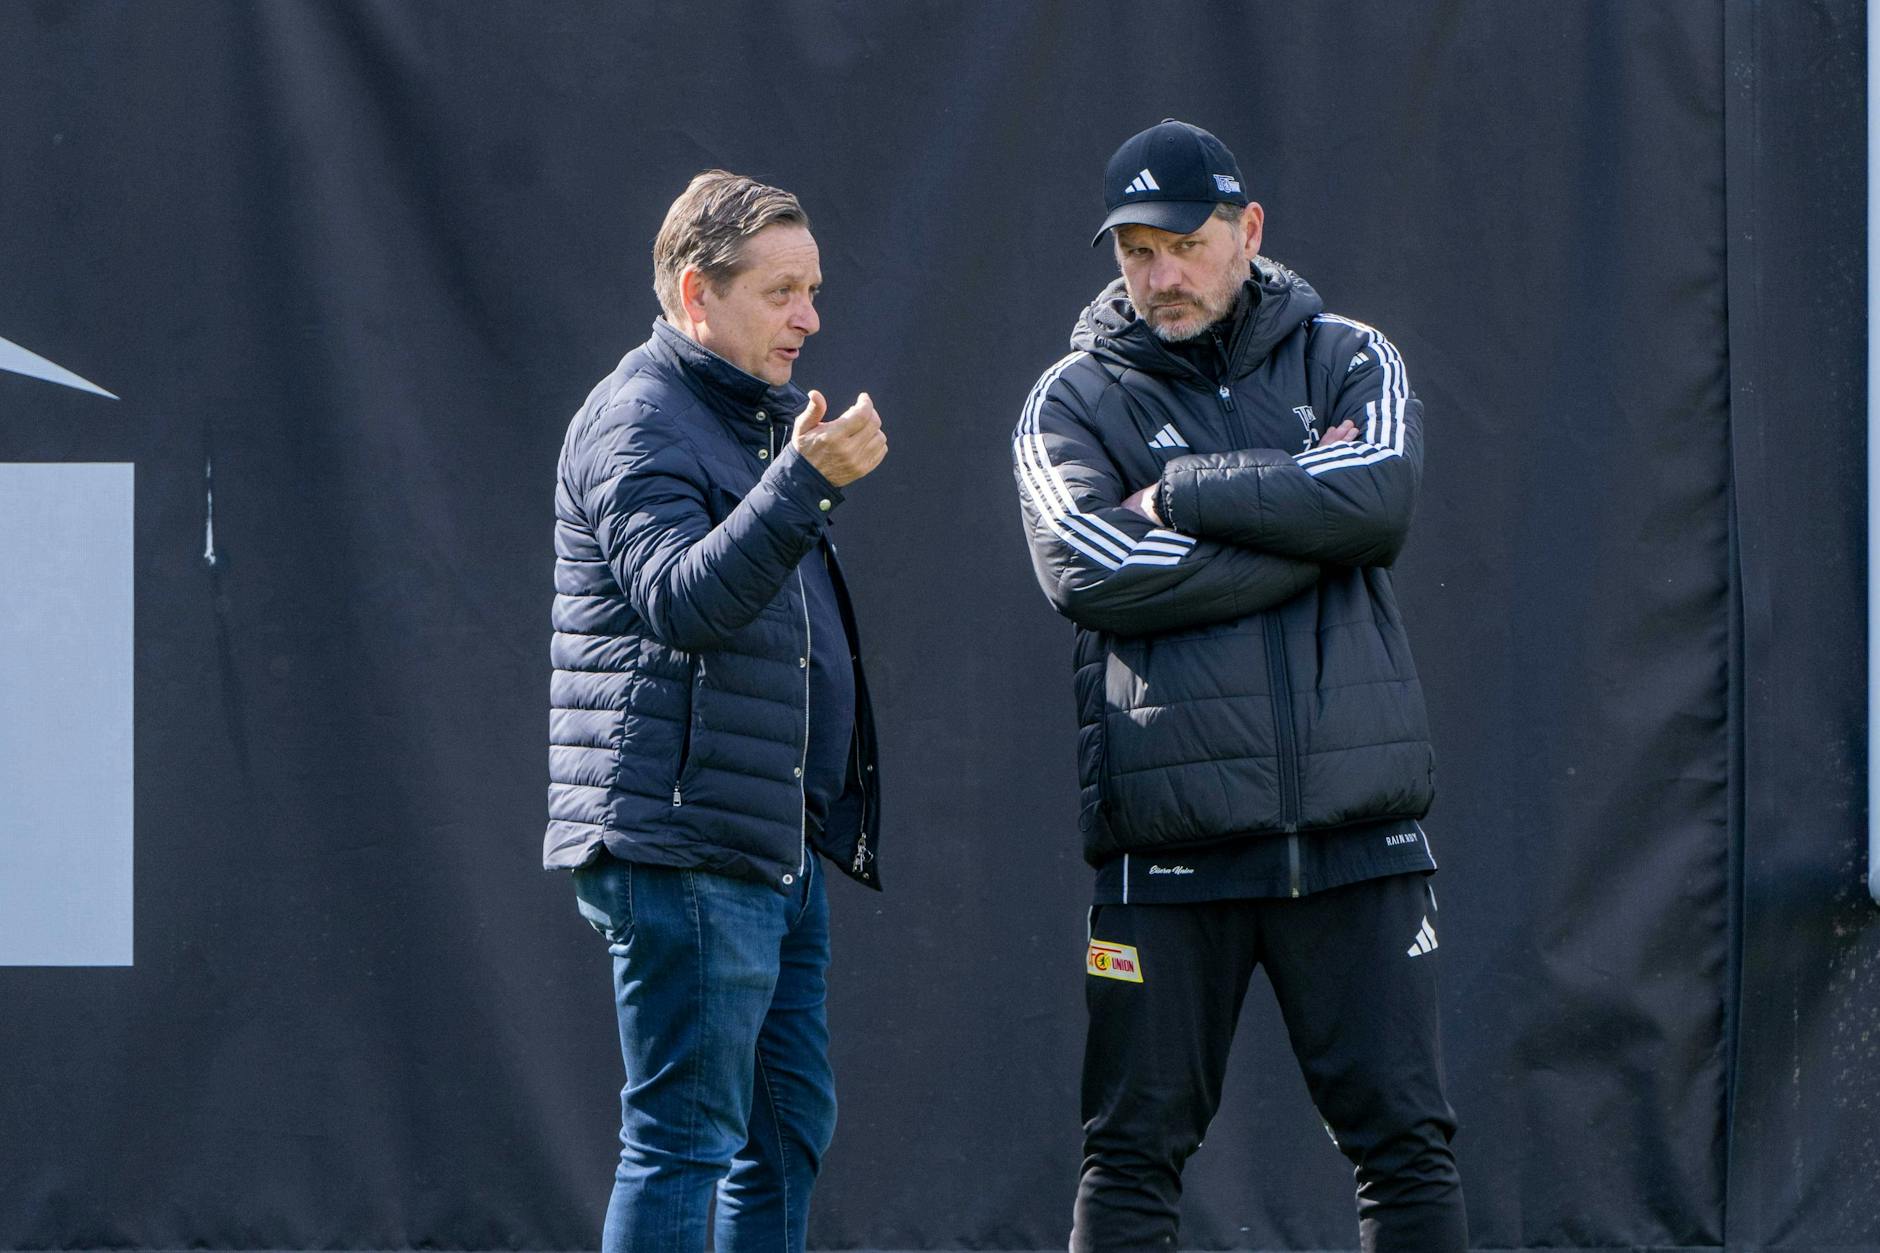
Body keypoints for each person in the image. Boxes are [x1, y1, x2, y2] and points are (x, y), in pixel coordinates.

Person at [1011, 120, 1467, 1251]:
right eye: (1136, 252)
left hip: (1356, 836)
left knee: (1407, 1148)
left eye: (1185, 244)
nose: (1160, 275)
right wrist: (1311, 524)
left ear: (1248, 230)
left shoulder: (1350, 354)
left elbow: (1379, 498)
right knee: (1129, 1155)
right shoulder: (1070, 399)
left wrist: (1177, 493)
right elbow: (1089, 567)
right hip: (1169, 849)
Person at [546, 169, 885, 1253]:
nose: (809, 318)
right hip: (684, 843)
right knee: (683, 1141)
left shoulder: (746, 421)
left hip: (768, 843)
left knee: (785, 1135)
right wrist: (804, 485)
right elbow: (680, 601)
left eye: (813, 289)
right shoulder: (637, 418)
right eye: (782, 291)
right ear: (698, 293)